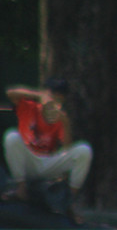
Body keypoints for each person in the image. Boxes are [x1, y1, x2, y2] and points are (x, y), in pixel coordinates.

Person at [3, 78, 92, 214]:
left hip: (48, 163)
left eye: (59, 98)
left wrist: (65, 123)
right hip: (28, 160)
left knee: (84, 150)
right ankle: (21, 188)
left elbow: (66, 149)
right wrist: (39, 95)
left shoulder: (60, 117)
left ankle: (69, 200)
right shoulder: (30, 106)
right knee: (11, 136)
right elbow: (10, 93)